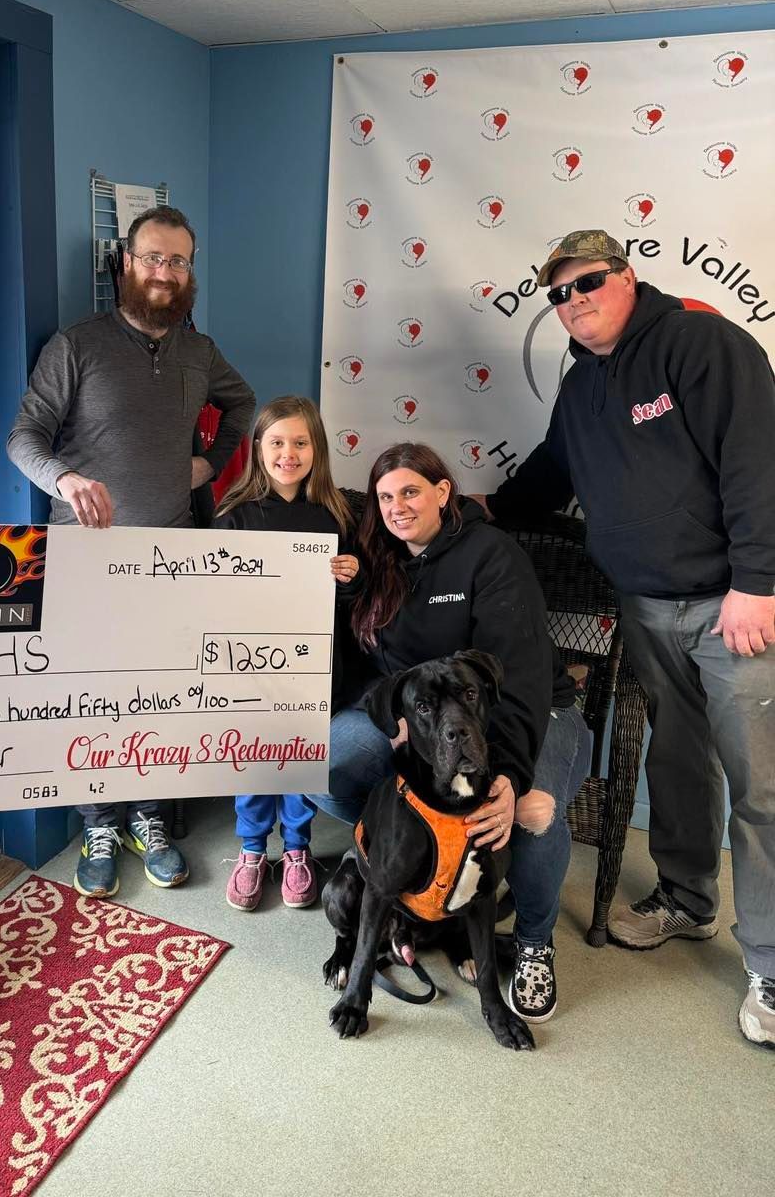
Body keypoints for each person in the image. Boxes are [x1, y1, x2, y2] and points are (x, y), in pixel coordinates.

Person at [478, 229, 775, 1047]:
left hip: (732, 607)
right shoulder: (581, 384)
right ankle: (685, 901)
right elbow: (552, 468)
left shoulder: (703, 344)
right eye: (560, 295)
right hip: (643, 605)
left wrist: (758, 583)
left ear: (628, 276)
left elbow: (759, 465)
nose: (575, 302)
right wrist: (486, 509)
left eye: (589, 283)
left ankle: (773, 967)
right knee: (677, 754)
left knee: (761, 787)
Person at [7, 204, 255, 898]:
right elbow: (22, 438)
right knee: (93, 697)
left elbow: (244, 403)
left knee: (155, 693)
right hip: (87, 563)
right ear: (126, 263)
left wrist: (211, 462)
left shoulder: (199, 352)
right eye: (153, 258)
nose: (166, 273)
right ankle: (99, 824)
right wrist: (67, 477)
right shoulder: (76, 346)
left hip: (172, 554)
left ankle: (149, 817)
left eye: (179, 261)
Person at [313, 442, 585, 1024]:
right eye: (386, 497)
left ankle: (535, 941)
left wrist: (509, 771)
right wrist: (391, 719)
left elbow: (524, 677)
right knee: (324, 758)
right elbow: (363, 662)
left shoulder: (490, 554)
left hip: (527, 712)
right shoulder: (377, 559)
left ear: (443, 492)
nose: (397, 506)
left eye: (411, 491)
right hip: (425, 723)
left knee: (528, 810)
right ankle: (417, 880)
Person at [212, 396, 359, 913]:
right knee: (253, 757)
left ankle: (297, 850)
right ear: (258, 448)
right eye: (277, 442)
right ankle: (252, 850)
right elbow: (216, 596)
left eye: (300, 442)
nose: (288, 453)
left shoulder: (336, 514)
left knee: (299, 757)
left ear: (316, 448)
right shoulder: (234, 515)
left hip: (314, 664)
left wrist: (348, 579)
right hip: (251, 668)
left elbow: (351, 601)